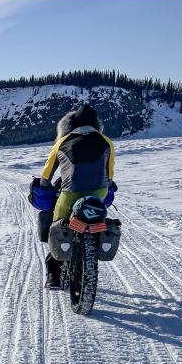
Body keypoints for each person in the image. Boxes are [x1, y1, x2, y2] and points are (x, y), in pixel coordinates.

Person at [38, 104, 116, 289]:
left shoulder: (63, 141)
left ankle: (54, 275)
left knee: (57, 225)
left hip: (70, 192)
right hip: (99, 191)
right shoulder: (106, 141)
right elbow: (110, 173)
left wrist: (45, 185)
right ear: (97, 124)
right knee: (97, 220)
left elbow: (48, 172)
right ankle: (92, 249)